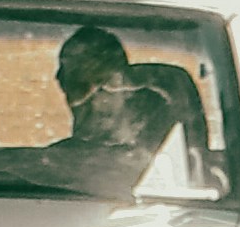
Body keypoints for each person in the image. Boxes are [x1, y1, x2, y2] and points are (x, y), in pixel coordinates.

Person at [53, 21, 173, 177]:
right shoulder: (51, 164)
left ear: (128, 85)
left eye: (104, 84)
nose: (94, 101)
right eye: (80, 87)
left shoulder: (159, 171)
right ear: (64, 87)